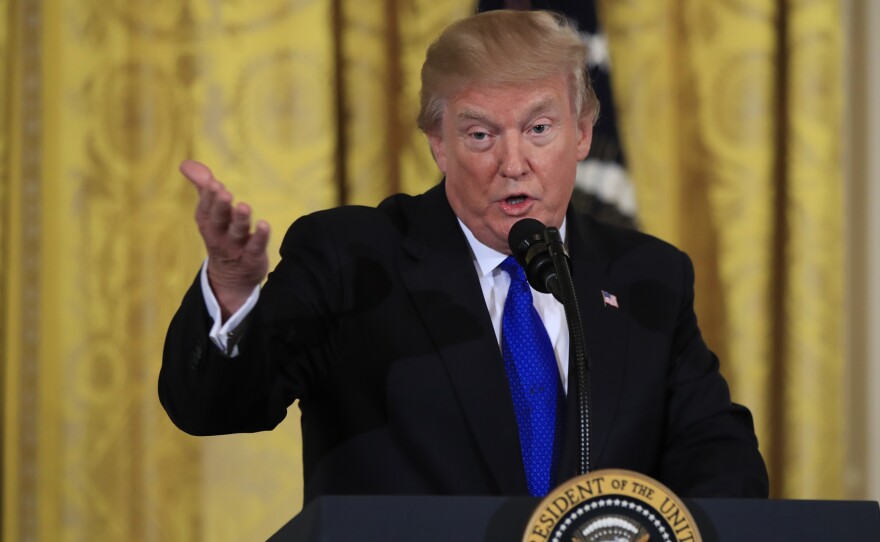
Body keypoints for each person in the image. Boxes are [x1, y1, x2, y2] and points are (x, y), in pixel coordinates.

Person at [159, 9, 769, 503]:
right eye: (480, 134)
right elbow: (216, 407)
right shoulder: (355, 260)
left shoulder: (647, 278)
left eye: (539, 129)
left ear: (582, 132)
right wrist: (234, 288)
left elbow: (718, 458)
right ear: (438, 143)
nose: (513, 163)